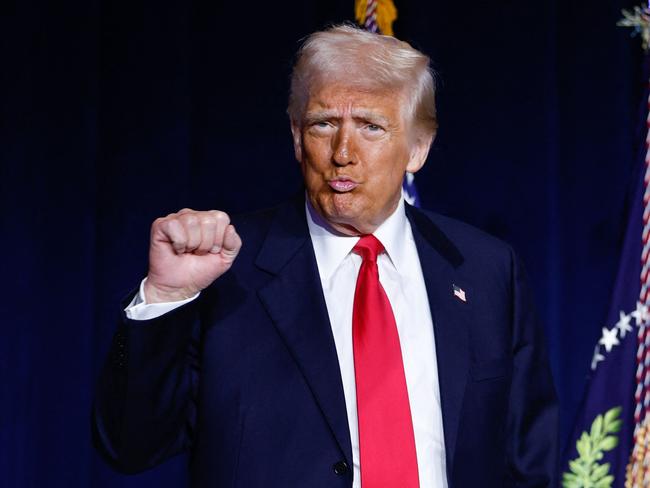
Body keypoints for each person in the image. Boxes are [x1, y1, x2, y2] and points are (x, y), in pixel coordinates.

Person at [93, 24, 558, 487]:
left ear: (418, 147)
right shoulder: (225, 270)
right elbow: (130, 447)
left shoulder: (486, 270)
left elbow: (526, 461)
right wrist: (167, 295)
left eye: (371, 127)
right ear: (297, 137)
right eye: (323, 124)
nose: (343, 153)